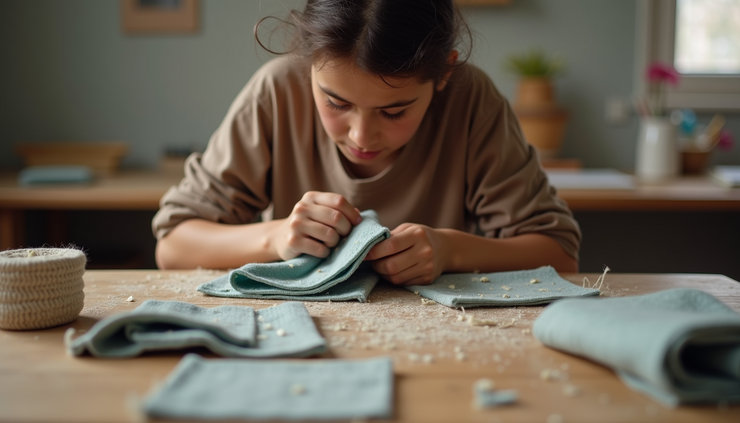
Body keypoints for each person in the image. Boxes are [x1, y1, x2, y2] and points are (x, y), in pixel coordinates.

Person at [152, 0, 581, 285]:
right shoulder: (277, 90)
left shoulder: (471, 99)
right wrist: (276, 238)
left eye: (394, 112)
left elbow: (559, 255)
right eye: (335, 102)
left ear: (444, 75)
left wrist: (449, 250)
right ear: (308, 63)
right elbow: (173, 246)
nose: (361, 136)